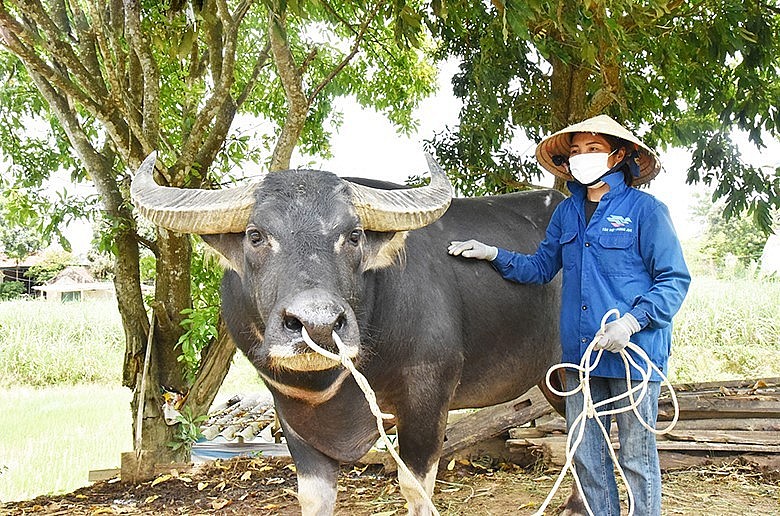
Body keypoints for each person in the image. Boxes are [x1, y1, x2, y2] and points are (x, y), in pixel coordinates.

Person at [448, 114, 691, 516]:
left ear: (619, 155)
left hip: (634, 356)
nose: (582, 158)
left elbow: (674, 280)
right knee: (586, 457)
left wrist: (631, 322)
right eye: (576, 152)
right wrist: (492, 253)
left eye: (593, 150)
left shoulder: (646, 211)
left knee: (636, 458)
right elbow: (541, 268)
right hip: (581, 356)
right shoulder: (567, 214)